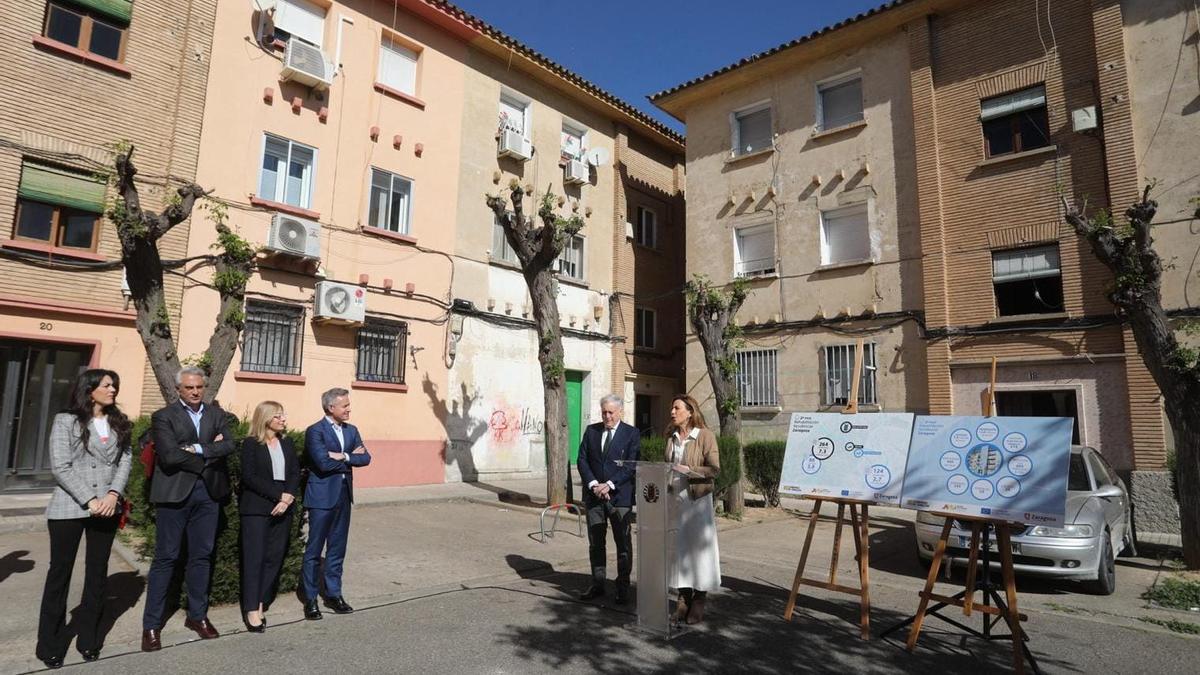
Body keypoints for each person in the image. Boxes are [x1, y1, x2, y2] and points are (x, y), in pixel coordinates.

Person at [36, 369, 132, 669]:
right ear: (89, 389)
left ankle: (88, 638)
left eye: (114, 385)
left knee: (97, 574)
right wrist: (90, 500)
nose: (112, 389)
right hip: (70, 507)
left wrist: (113, 495)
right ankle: (50, 643)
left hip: (107, 507)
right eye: (106, 385)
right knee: (59, 574)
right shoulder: (65, 420)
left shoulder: (119, 422)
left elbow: (125, 459)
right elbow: (61, 466)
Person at [141, 367, 235, 652]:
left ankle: (197, 616)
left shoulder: (216, 414)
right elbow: (169, 456)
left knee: (202, 556)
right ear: (179, 389)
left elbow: (230, 445)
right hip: (174, 495)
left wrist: (195, 449)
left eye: (199, 387)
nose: (195, 392)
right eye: (189, 388)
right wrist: (208, 451)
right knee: (166, 558)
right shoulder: (164, 416)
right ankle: (152, 626)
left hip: (208, 494)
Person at [302, 388, 371, 620]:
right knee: (314, 550)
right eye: (345, 406)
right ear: (331, 408)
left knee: (337, 549)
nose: (349, 409)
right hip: (321, 497)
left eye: (349, 405)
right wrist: (350, 458)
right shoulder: (315, 431)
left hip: (343, 496)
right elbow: (321, 463)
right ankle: (311, 599)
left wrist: (342, 456)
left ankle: (334, 594)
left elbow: (366, 458)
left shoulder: (352, 430)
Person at [238, 401, 300, 632]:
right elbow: (250, 477)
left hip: (284, 507)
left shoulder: (288, 443)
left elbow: (295, 472)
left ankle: (262, 600)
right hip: (257, 508)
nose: (283, 419)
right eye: (279, 416)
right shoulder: (251, 445)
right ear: (266, 419)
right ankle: (252, 609)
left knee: (274, 557)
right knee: (254, 559)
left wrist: (288, 498)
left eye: (284, 415)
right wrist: (279, 496)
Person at [576, 394, 641, 605]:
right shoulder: (592, 431)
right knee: (596, 542)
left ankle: (623, 587)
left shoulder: (631, 434)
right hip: (595, 497)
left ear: (620, 412)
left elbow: (631, 465)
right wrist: (594, 484)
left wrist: (610, 485)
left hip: (619, 497)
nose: (607, 416)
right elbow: (582, 459)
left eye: (611, 412)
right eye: (604, 412)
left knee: (623, 544)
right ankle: (597, 583)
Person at [665, 394, 721, 625]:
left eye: (676, 408)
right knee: (680, 550)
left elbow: (714, 469)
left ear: (690, 412)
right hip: (675, 500)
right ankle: (683, 597)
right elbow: (666, 464)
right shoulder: (672, 437)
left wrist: (689, 470)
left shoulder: (705, 436)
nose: (672, 412)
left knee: (698, 550)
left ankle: (699, 598)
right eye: (672, 408)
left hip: (697, 502)